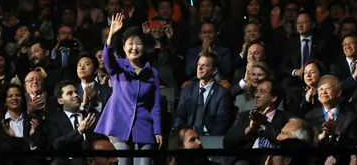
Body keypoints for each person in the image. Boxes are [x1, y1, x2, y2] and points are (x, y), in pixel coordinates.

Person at [94, 13, 162, 165]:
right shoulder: (118, 65)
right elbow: (107, 57)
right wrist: (111, 33)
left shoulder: (152, 73)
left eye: (138, 43)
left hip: (144, 127)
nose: (134, 47)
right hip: (119, 125)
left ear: (144, 47)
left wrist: (157, 130)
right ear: (124, 47)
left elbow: (155, 105)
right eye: (130, 43)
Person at [224, 79, 292, 164]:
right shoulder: (244, 116)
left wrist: (264, 124)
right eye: (256, 92)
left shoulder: (288, 118)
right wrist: (249, 129)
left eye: (262, 92)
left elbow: (289, 144)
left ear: (274, 97)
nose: (256, 95)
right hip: (246, 159)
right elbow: (227, 142)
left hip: (272, 159)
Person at [174, 53, 231, 135]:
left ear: (214, 71)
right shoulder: (188, 89)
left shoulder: (223, 94)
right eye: (199, 64)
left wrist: (210, 141)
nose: (199, 68)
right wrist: (182, 135)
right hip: (188, 136)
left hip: (209, 136)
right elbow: (179, 116)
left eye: (205, 66)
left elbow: (222, 124)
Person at [304, 75, 357, 158]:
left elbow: (355, 143)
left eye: (328, 88)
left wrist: (337, 134)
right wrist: (320, 138)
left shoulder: (352, 116)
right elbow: (307, 145)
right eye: (320, 89)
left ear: (338, 92)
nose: (323, 92)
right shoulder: (310, 116)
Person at [279, 11, 333, 87]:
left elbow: (326, 64)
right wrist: (295, 72)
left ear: (313, 24)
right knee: (286, 82)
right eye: (298, 22)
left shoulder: (321, 43)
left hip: (316, 78)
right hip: (296, 79)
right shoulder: (289, 44)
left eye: (304, 22)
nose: (300, 25)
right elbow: (282, 67)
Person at [46, 80, 98, 153]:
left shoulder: (90, 116)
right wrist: (79, 131)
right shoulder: (53, 119)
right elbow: (56, 144)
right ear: (60, 101)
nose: (76, 95)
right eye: (69, 93)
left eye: (76, 92)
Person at [0, 83, 41, 148]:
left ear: (22, 99)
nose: (14, 98)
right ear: (5, 100)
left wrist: (32, 139)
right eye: (10, 96)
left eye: (18, 95)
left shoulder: (33, 121)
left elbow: (41, 148)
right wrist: (11, 138)